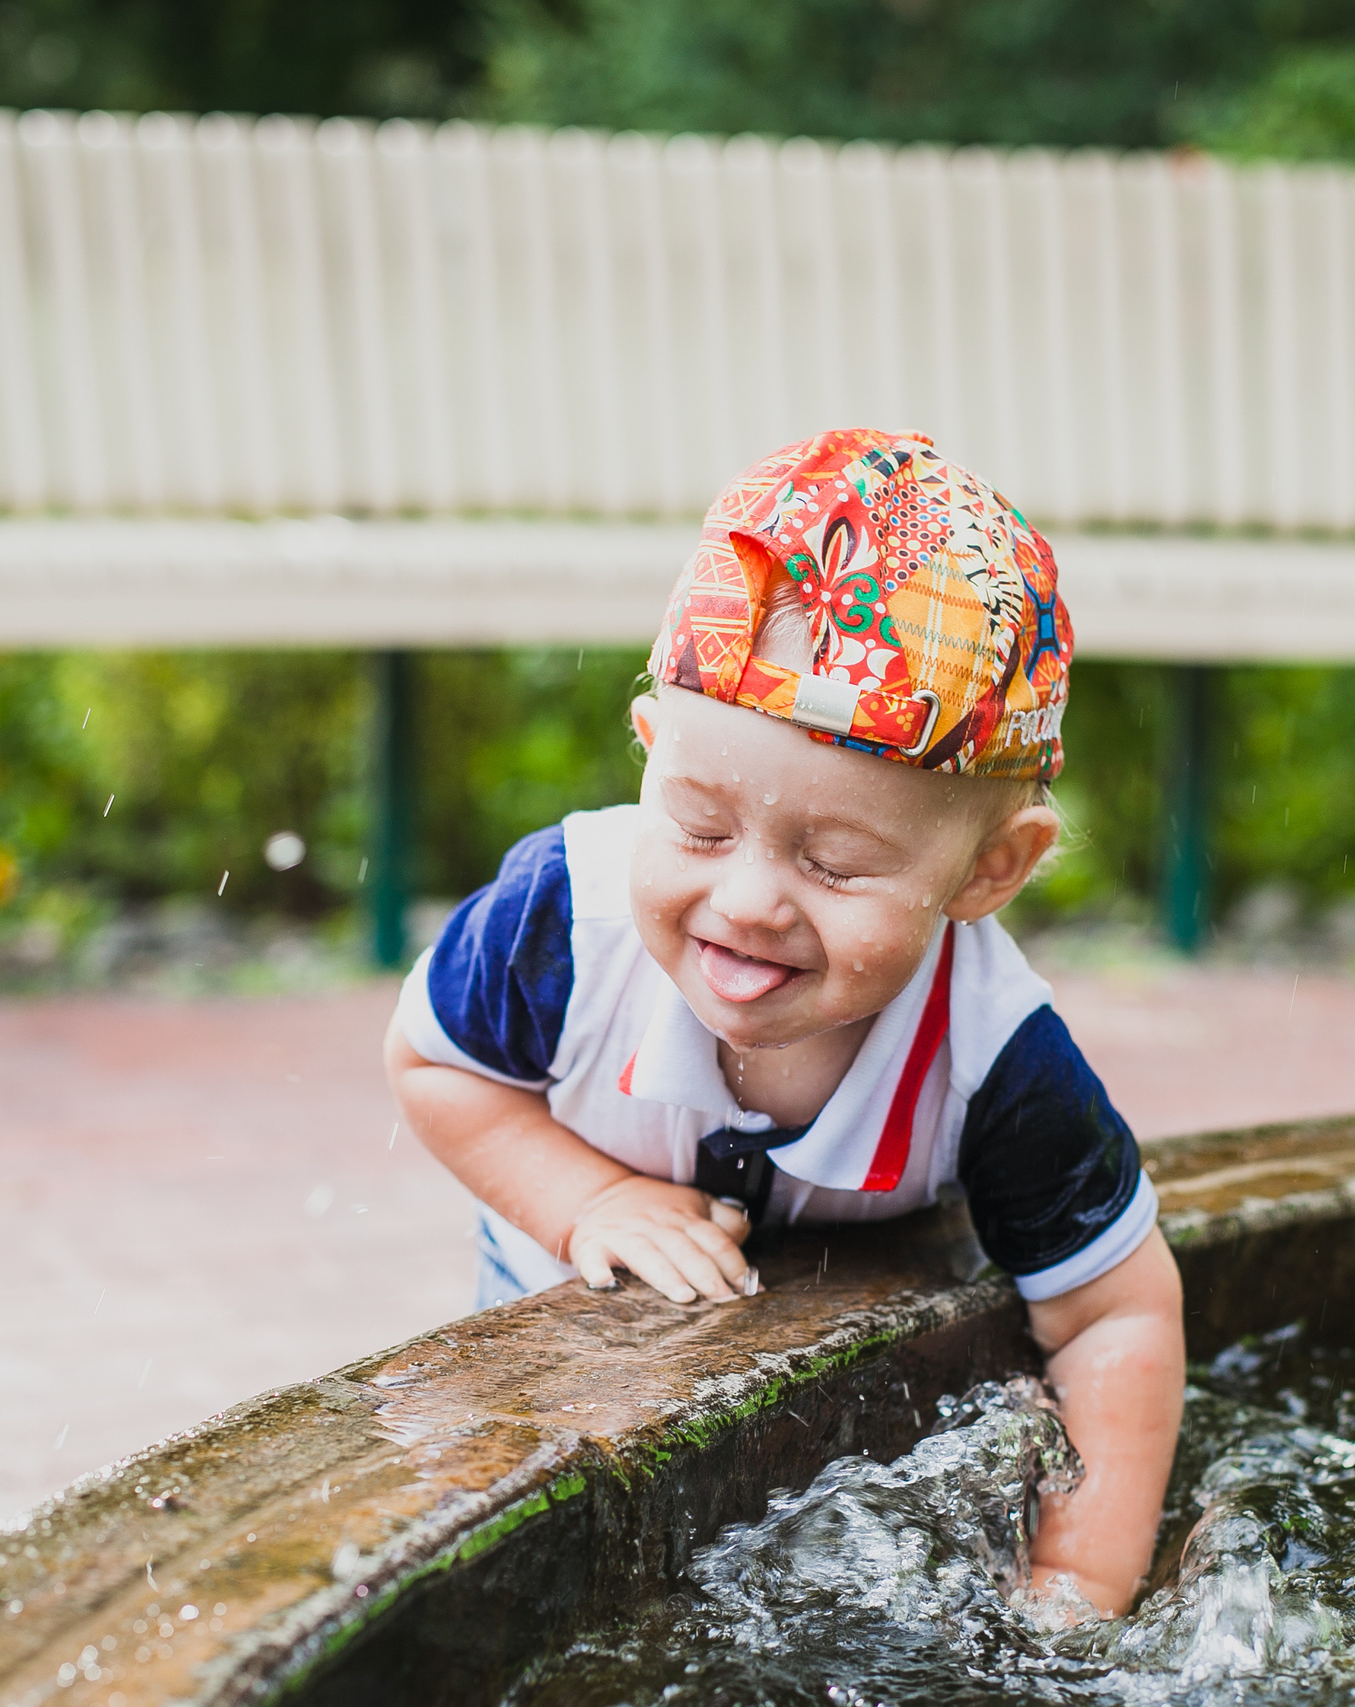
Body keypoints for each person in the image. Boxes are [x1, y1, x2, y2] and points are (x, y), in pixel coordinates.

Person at [384, 428, 1184, 1616]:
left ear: (988, 872)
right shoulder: (562, 917)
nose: (749, 901)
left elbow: (1116, 1315)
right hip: (546, 1370)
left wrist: (1073, 1584)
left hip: (846, 1441)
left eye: (838, 862)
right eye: (700, 828)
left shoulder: (995, 1060)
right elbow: (432, 1066)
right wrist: (587, 1201)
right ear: (651, 753)